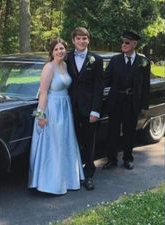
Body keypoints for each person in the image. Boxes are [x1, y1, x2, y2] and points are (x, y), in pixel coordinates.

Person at [28, 38, 84, 195]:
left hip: (65, 108)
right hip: (52, 109)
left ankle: (66, 180)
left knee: (65, 143)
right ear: (52, 52)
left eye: (62, 48)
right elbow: (43, 92)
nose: (60, 51)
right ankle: (50, 183)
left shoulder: (65, 65)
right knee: (54, 145)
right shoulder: (49, 67)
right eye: (56, 49)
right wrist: (40, 115)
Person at [103, 31, 150, 170]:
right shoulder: (115, 60)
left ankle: (128, 158)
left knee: (130, 132)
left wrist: (144, 105)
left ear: (135, 44)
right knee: (113, 132)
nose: (123, 45)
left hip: (132, 102)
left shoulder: (143, 62)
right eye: (123, 42)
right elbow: (106, 80)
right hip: (115, 101)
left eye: (127, 43)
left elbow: (145, 85)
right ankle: (111, 159)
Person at [66, 27, 104, 190]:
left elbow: (99, 87)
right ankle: (73, 174)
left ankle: (88, 174)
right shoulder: (66, 58)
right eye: (78, 38)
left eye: (85, 38)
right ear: (73, 40)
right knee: (72, 141)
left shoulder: (96, 59)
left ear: (88, 40)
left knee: (89, 142)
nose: (81, 41)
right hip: (69, 109)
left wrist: (95, 110)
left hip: (89, 110)